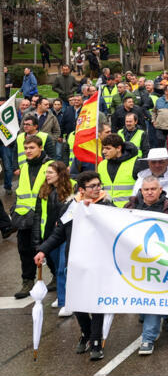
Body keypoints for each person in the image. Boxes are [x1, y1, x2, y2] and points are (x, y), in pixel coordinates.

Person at [34, 170, 114, 360]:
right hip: (76, 261)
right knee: (77, 302)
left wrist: (92, 213)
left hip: (98, 262)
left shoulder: (107, 205)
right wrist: (43, 250)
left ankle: (96, 342)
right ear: (81, 189)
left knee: (96, 303)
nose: (97, 189)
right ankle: (86, 333)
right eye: (92, 186)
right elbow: (59, 233)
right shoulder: (70, 207)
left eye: (98, 185)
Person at [124, 175, 168, 354]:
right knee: (145, 301)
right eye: (146, 189)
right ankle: (161, 317)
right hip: (137, 261)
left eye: (153, 189)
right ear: (141, 191)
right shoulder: (130, 207)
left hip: (163, 261)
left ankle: (148, 338)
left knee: (154, 297)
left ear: (160, 190)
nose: (149, 192)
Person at [31, 160, 73, 315]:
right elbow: (38, 215)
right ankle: (62, 296)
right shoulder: (44, 190)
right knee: (56, 269)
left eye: (50, 172)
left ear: (60, 174)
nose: (46, 175)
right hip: (50, 236)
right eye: (46, 172)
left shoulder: (71, 189)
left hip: (65, 236)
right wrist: (38, 240)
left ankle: (66, 301)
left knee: (63, 268)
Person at [11, 135, 50, 298]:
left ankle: (57, 278)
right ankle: (27, 281)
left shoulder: (50, 165)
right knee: (24, 250)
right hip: (25, 217)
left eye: (31, 148)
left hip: (45, 217)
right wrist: (14, 210)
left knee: (49, 251)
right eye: (26, 148)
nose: (28, 151)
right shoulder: (24, 167)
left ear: (40, 148)